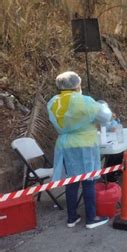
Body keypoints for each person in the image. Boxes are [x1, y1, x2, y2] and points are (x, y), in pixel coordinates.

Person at [47, 71, 111, 229]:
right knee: (88, 180)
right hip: (85, 144)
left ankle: (72, 217)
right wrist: (103, 106)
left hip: (65, 145)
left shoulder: (53, 102)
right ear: (77, 85)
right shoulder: (85, 101)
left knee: (72, 181)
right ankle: (91, 218)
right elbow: (105, 117)